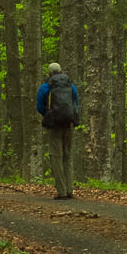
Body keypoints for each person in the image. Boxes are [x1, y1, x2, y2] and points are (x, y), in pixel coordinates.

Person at [35, 63, 81, 200]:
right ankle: (69, 190)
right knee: (67, 156)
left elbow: (39, 106)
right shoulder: (70, 86)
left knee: (56, 156)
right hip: (68, 124)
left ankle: (61, 192)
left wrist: (49, 116)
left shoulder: (46, 87)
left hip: (54, 125)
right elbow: (76, 103)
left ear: (49, 73)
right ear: (61, 71)